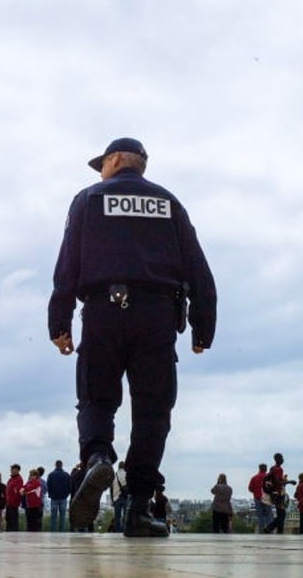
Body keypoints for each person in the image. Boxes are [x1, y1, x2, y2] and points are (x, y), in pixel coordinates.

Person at [49, 137, 217, 538]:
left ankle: (97, 457)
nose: (99, 172)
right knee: (153, 411)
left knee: (96, 396)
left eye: (101, 164)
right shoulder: (169, 203)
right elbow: (198, 268)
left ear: (114, 159)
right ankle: (140, 508)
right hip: (157, 315)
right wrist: (202, 327)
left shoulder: (87, 199)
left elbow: (67, 264)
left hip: (103, 311)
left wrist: (59, 323)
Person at [262, 453, 295, 534]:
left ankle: (278, 531)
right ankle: (270, 528)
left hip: (275, 494)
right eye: (281, 458)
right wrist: (289, 481)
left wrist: (268, 490)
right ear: (278, 459)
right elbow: (277, 482)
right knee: (282, 515)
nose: (283, 460)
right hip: (279, 494)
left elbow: (267, 478)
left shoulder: (273, 468)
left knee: (280, 514)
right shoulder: (278, 469)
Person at [47, 459, 72, 532]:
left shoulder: (51, 475)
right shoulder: (66, 475)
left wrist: (50, 494)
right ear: (62, 465)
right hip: (63, 497)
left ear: (55, 465)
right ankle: (61, 532)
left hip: (54, 497)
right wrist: (66, 495)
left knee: (53, 517)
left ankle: (53, 531)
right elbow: (69, 486)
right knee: (62, 517)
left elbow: (49, 486)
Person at [248, 463, 271, 533]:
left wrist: (256, 491)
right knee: (268, 515)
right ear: (266, 469)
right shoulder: (269, 477)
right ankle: (269, 531)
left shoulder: (254, 477)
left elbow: (250, 488)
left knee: (260, 516)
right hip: (267, 497)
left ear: (259, 468)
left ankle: (261, 531)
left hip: (257, 498)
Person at [111, 461, 129, 534]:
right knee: (125, 516)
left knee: (117, 517)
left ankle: (118, 531)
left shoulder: (114, 475)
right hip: (125, 497)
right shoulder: (126, 474)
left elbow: (111, 488)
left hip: (116, 498)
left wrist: (112, 499)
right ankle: (125, 530)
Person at [5, 464, 24, 531]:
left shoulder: (19, 479)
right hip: (8, 502)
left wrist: (13, 501)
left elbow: (17, 492)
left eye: (12, 469)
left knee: (13, 519)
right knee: (8, 518)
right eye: (11, 469)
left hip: (14, 503)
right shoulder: (10, 479)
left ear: (17, 470)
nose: (11, 471)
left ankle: (14, 532)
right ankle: (8, 532)